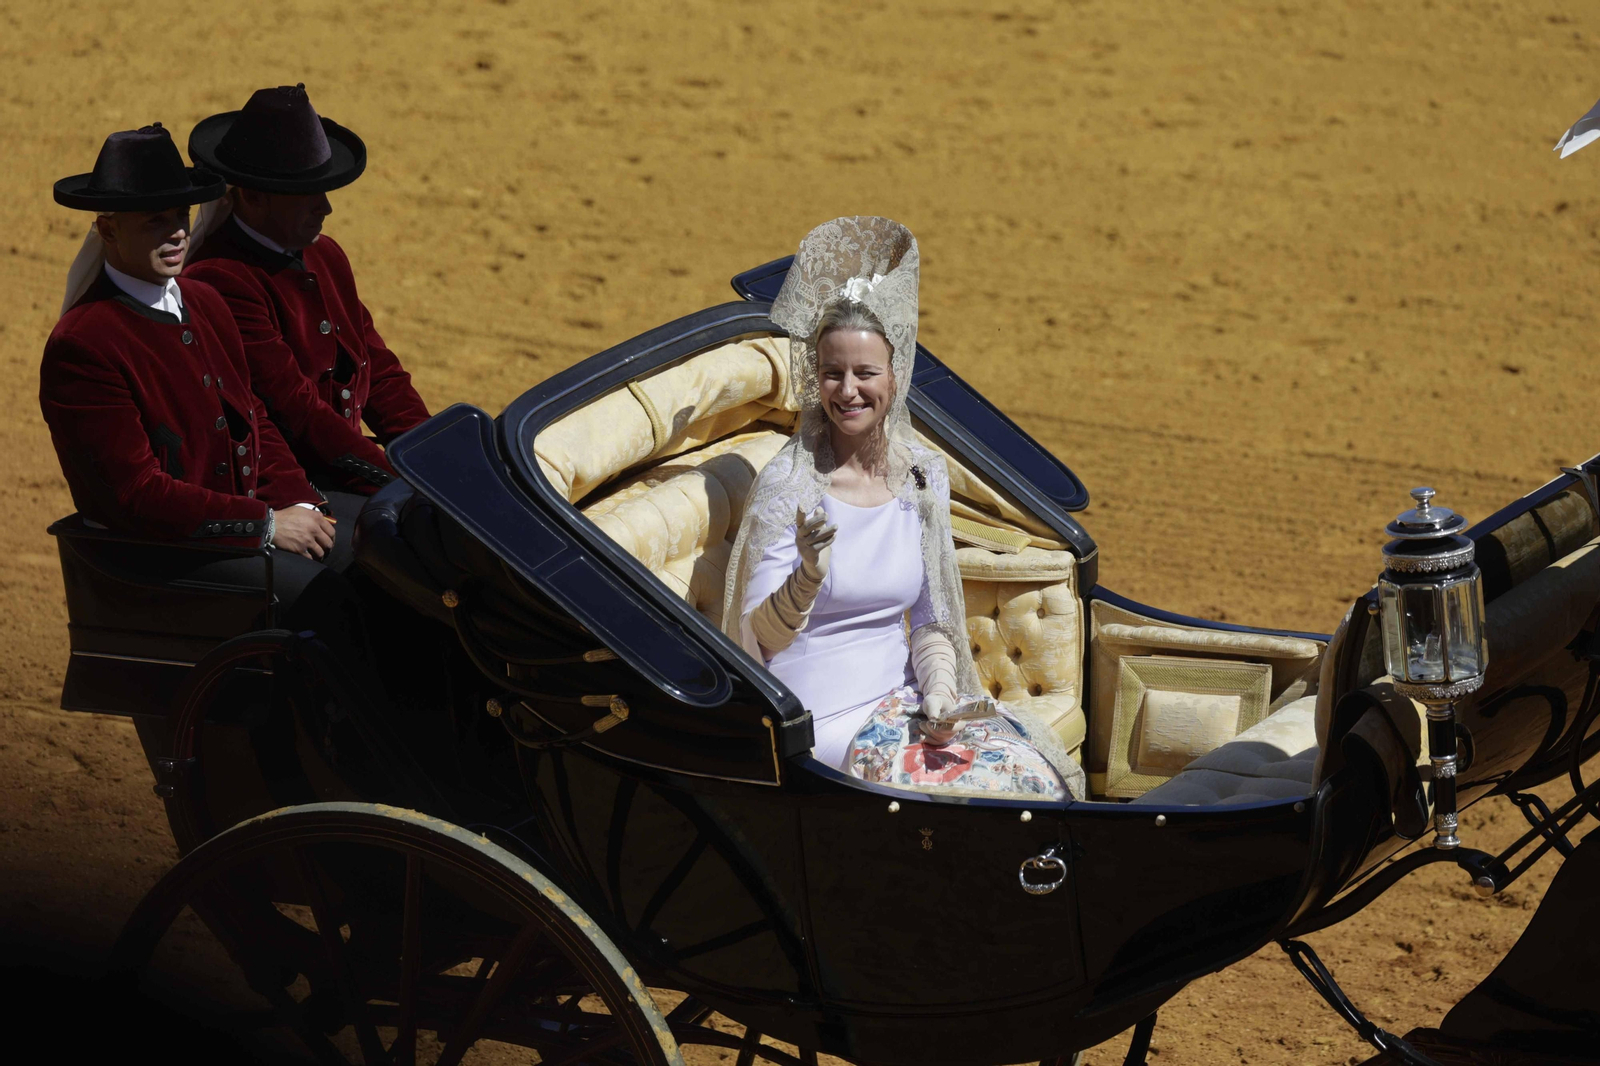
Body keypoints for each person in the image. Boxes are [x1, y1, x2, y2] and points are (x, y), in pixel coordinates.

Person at [721, 217, 1086, 799]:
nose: (848, 391)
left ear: (895, 376)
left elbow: (930, 619)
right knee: (990, 793)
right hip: (821, 721)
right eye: (832, 373)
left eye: (865, 373)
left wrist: (939, 693)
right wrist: (806, 578)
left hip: (903, 703)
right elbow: (759, 639)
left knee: (1031, 776)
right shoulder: (789, 485)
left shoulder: (921, 474)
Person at [42, 123, 358, 630]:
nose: (176, 233)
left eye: (181, 216)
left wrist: (300, 501)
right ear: (108, 230)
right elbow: (136, 494)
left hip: (231, 531)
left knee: (380, 549)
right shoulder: (83, 344)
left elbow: (253, 419)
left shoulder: (205, 301)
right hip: (158, 555)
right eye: (155, 221)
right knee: (333, 599)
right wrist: (268, 525)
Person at [184, 83, 429, 497]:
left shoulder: (326, 254)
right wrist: (397, 478)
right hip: (290, 491)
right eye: (304, 194)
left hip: (347, 468)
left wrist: (430, 452)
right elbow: (295, 409)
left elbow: (379, 369)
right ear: (252, 196)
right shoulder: (220, 279)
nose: (326, 207)